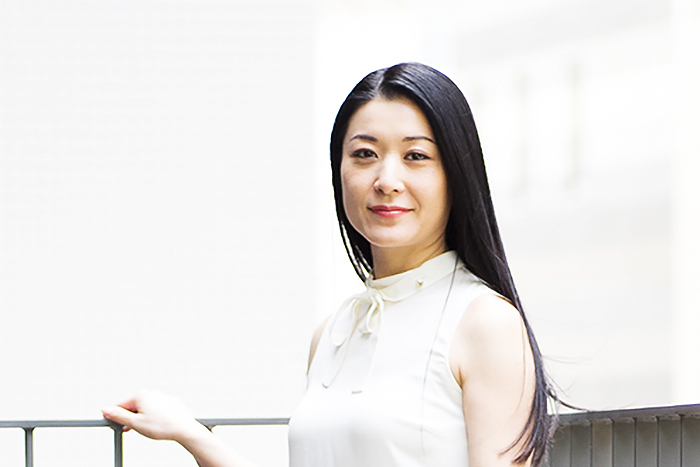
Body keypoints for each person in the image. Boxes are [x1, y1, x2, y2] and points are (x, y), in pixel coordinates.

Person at [102, 62, 556, 467]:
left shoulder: (485, 323)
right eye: (364, 154)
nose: (387, 180)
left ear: (456, 174)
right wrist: (191, 434)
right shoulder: (333, 332)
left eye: (416, 156)